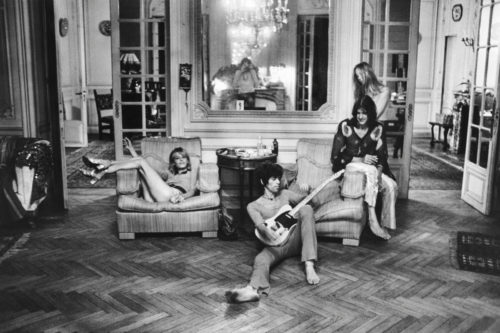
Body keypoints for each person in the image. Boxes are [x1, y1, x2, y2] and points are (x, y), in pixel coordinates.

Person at [226, 162, 319, 303]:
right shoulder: (253, 206)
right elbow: (259, 224)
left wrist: (309, 190)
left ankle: (309, 265)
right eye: (273, 179)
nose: (278, 182)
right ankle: (251, 290)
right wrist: (265, 230)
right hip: (276, 244)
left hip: (295, 239)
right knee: (260, 259)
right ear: (263, 181)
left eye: (278, 178)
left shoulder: (285, 194)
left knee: (306, 209)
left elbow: (312, 203)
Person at [330, 96, 398, 240]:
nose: (360, 116)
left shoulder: (377, 128)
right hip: (350, 166)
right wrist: (361, 158)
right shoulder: (346, 126)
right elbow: (335, 157)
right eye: (358, 112)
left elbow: (381, 156)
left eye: (364, 113)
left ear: (370, 113)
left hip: (372, 170)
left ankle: (384, 224)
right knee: (371, 170)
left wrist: (379, 176)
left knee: (391, 186)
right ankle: (372, 221)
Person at [80, 138, 196, 204]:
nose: (181, 160)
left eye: (183, 157)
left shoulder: (192, 172)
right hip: (152, 198)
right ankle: (102, 169)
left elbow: (193, 190)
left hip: (171, 195)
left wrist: (182, 197)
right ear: (173, 162)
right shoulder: (169, 173)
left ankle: (103, 168)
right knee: (140, 166)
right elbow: (144, 166)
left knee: (140, 162)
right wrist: (131, 150)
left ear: (187, 159)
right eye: (177, 158)